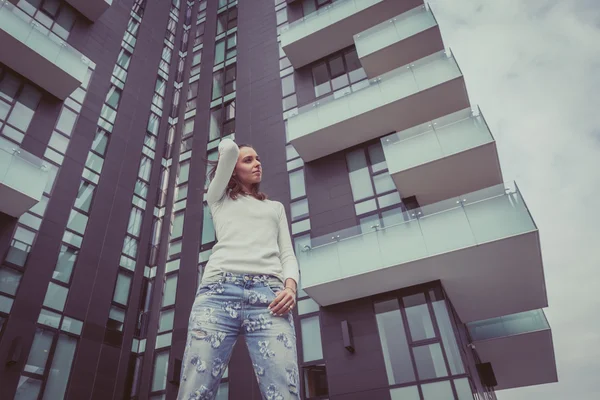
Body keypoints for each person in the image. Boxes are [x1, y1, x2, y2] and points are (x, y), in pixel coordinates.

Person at [177, 138, 300, 400]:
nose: (257, 164)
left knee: (284, 392)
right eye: (249, 160)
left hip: (270, 298)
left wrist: (291, 287)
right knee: (195, 391)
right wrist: (233, 155)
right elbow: (229, 147)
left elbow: (287, 254)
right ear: (233, 168)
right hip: (218, 293)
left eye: (258, 159)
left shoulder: (275, 209)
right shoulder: (218, 197)